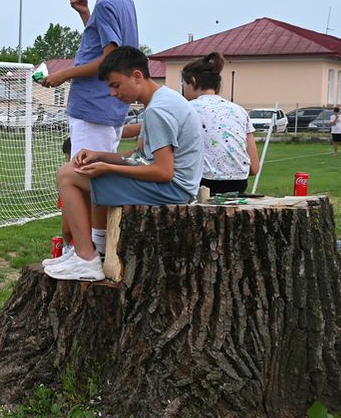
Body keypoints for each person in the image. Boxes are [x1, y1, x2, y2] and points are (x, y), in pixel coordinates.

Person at [45, 47, 203, 281]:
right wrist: (100, 156)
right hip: (176, 187)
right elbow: (141, 157)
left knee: (67, 175)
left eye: (115, 85)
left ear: (137, 76)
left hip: (172, 190)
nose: (112, 93)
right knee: (79, 170)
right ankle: (91, 251)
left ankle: (85, 259)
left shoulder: (157, 111)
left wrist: (107, 168)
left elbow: (163, 171)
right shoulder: (163, 100)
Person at [41, 0, 139, 259]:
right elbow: (106, 46)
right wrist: (85, 15)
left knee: (83, 177)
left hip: (93, 106)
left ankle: (87, 253)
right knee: (96, 175)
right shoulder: (123, 1)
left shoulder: (107, 4)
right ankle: (97, 247)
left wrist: (64, 74)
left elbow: (110, 60)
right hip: (108, 106)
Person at [180, 52, 258, 195]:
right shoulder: (239, 111)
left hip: (203, 184)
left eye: (184, 84)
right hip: (238, 183)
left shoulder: (186, 109)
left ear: (193, 81)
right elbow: (254, 168)